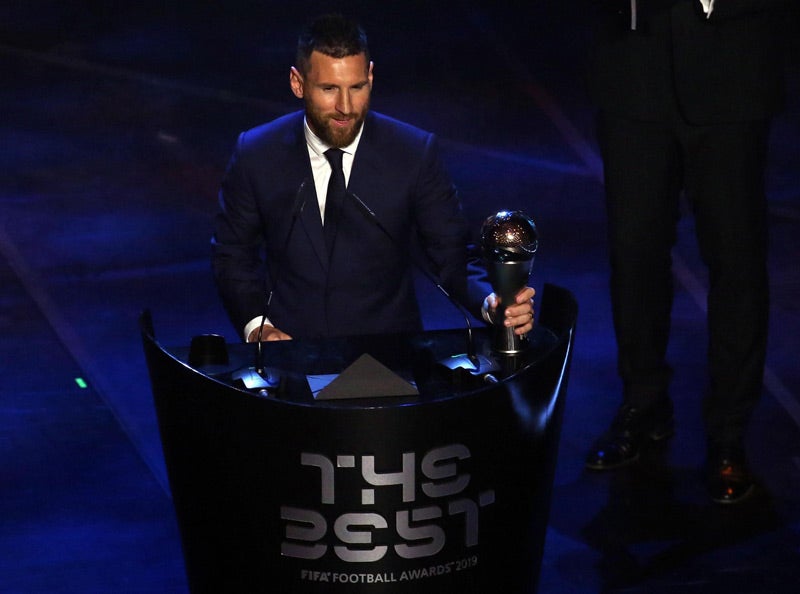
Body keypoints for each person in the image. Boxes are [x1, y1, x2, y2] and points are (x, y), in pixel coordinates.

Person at [211, 14, 534, 349]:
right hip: (291, 355)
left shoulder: (413, 153)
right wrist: (256, 327)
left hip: (391, 359)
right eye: (329, 89)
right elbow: (232, 255)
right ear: (298, 83)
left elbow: (452, 256)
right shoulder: (256, 153)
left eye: (357, 87)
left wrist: (492, 304)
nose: (345, 107)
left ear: (370, 76)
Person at [584, 0, 787, 504]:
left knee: (736, 260)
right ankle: (644, 405)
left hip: (733, 69)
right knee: (634, 255)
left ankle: (728, 433)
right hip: (634, 67)